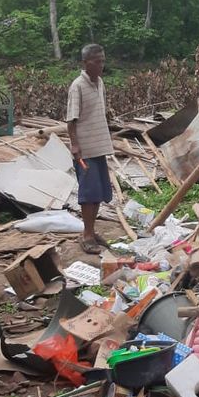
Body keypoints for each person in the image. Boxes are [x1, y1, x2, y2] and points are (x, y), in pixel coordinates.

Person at [67, 44, 114, 255]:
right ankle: (86, 235)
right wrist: (75, 145)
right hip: (85, 150)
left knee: (97, 193)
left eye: (103, 61)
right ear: (86, 63)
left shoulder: (100, 83)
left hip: (99, 147)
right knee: (88, 194)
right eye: (97, 62)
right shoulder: (77, 86)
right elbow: (71, 120)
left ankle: (92, 231)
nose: (101, 65)